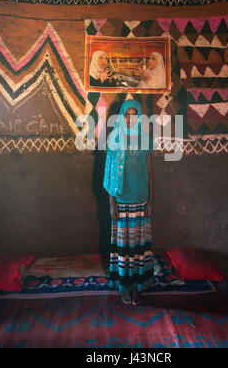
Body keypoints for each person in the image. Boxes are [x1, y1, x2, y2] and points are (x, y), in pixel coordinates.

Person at [103, 99, 155, 306]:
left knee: (138, 248)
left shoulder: (145, 139)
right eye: (127, 115)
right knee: (124, 249)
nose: (130, 119)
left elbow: (150, 173)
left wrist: (151, 201)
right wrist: (111, 203)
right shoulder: (114, 139)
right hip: (122, 201)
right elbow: (109, 172)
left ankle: (136, 286)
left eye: (134, 115)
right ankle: (125, 287)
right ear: (121, 117)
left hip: (140, 201)